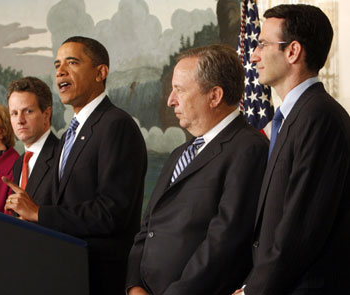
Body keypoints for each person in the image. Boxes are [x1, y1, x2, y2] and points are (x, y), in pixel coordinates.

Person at [3, 36, 147, 294]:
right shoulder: (73, 131)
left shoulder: (116, 125)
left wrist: (40, 213)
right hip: (66, 272)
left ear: (100, 72)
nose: (60, 71)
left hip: (100, 278)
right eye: (57, 64)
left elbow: (112, 212)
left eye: (72, 62)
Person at [126, 44, 269, 295]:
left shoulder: (249, 148)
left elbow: (225, 241)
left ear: (214, 96)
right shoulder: (179, 154)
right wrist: (134, 286)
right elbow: (147, 228)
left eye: (179, 90)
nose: (171, 100)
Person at [234, 4, 350, 295]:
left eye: (261, 43)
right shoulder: (296, 116)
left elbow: (301, 227)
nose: (253, 55)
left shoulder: (319, 117)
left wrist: (252, 291)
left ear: (293, 51)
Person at [7, 76, 59, 206]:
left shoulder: (63, 155)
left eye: (28, 111)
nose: (20, 120)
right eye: (14, 113)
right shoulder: (19, 163)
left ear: (46, 115)